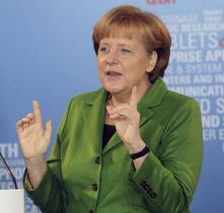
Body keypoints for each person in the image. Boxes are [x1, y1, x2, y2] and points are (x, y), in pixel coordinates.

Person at [16, 5, 203, 213]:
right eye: (104, 48)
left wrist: (137, 147)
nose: (110, 59)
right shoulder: (78, 108)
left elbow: (175, 205)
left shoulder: (180, 110)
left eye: (124, 50)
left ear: (151, 61)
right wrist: (35, 162)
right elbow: (57, 206)